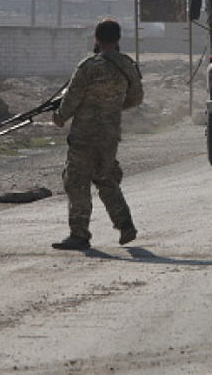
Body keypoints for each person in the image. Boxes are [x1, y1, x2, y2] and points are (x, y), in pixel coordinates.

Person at [50, 18, 144, 250]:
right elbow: (136, 97)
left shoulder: (89, 67)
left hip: (85, 135)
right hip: (110, 134)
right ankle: (125, 225)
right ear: (118, 39)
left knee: (77, 181)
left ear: (96, 38)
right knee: (106, 179)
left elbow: (72, 98)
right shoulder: (127, 65)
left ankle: (79, 234)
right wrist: (112, 107)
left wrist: (60, 116)